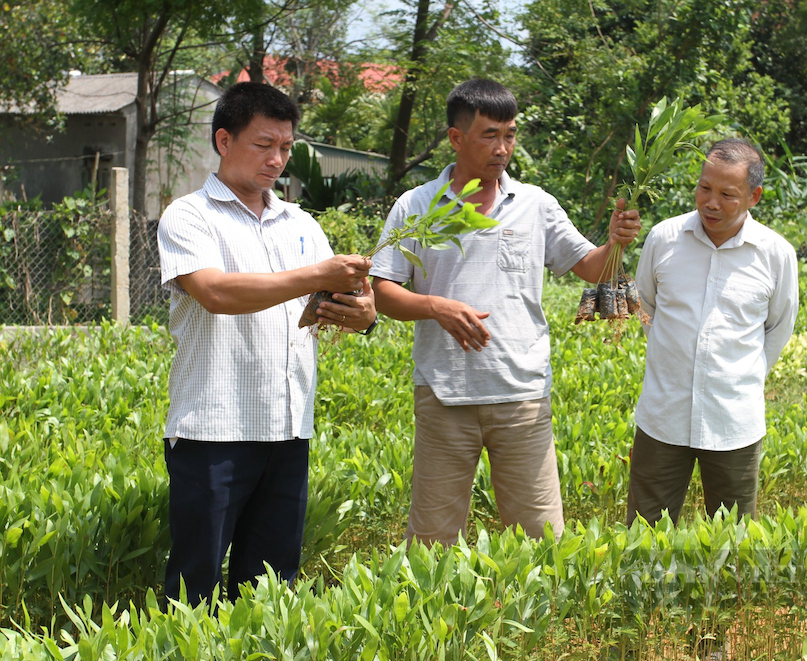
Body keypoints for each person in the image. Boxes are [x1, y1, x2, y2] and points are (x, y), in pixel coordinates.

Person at [370, 78, 641, 546]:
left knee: (541, 538)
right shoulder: (416, 207)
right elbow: (383, 292)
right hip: (444, 394)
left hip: (522, 397)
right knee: (433, 539)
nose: (503, 148)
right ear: (456, 138)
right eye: (489, 135)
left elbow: (592, 269)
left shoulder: (535, 205)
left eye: (510, 135)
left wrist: (616, 243)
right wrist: (436, 307)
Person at [156, 81, 376, 604]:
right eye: (262, 145)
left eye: (285, 147)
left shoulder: (300, 224)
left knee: (269, 589)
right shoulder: (188, 216)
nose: (276, 159)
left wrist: (363, 314)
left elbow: (334, 305)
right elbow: (214, 292)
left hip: (287, 427)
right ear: (224, 140)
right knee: (195, 583)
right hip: (214, 428)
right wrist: (313, 274)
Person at [626, 137, 798, 530]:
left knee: (731, 538)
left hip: (733, 420)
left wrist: (740, 376)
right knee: (645, 531)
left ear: (754, 196)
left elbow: (778, 328)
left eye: (727, 194)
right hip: (662, 416)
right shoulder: (664, 238)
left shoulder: (775, 254)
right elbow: (645, 306)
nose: (711, 203)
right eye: (705, 188)